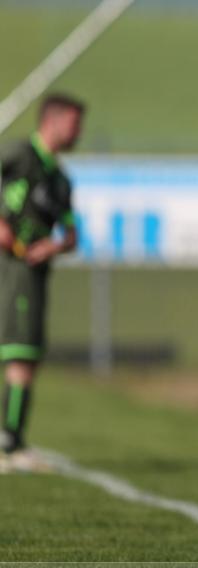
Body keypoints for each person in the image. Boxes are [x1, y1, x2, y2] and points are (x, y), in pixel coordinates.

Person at [0, 94, 83, 473]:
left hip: (30, 275)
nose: (78, 131)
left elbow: (71, 235)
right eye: (74, 122)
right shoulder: (19, 155)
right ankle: (9, 445)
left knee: (25, 356)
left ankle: (11, 441)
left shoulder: (60, 179)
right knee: (18, 354)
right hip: (9, 269)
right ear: (53, 120)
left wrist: (53, 244)